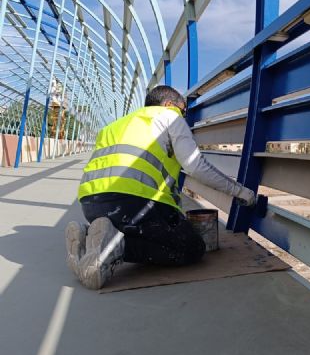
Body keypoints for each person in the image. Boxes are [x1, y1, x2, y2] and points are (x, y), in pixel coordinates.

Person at [65, 85, 256, 290]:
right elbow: (195, 166)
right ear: (168, 104)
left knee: (155, 225)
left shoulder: (116, 125)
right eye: (183, 110)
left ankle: (89, 238)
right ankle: (115, 247)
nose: (184, 116)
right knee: (191, 248)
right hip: (131, 202)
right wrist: (240, 191)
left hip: (90, 204)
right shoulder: (169, 117)